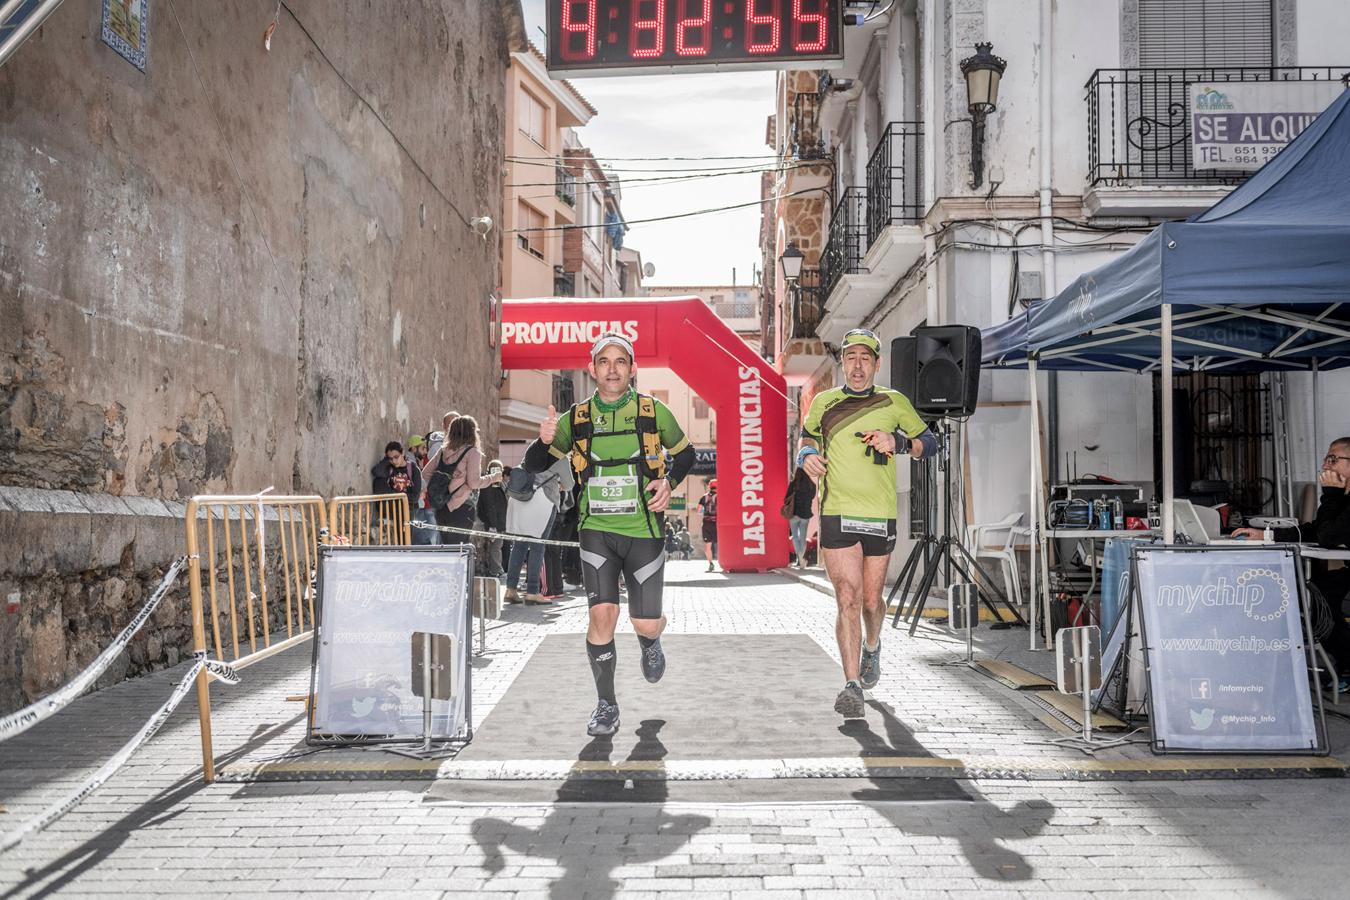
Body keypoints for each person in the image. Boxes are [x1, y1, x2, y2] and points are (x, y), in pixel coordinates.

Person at [523, 333, 697, 736]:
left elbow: (686, 454)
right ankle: (606, 705)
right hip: (596, 530)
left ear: (633, 368)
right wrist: (544, 440)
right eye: (604, 361)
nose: (613, 369)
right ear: (593, 369)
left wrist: (668, 482)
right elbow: (534, 464)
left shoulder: (654, 412)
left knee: (643, 622)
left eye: (621, 361)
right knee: (602, 615)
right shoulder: (577, 419)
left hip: (645, 530)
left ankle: (652, 640)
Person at [799, 328, 937, 720]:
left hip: (879, 514)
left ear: (877, 364)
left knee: (872, 602)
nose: (857, 365)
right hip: (837, 511)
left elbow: (931, 443)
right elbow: (806, 441)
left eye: (865, 358)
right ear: (842, 363)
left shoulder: (895, 402)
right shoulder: (824, 402)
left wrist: (899, 442)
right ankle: (851, 685)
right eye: (850, 357)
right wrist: (805, 457)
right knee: (847, 596)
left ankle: (872, 645)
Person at [1234, 437, 1350, 687]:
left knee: (1320, 601)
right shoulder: (1342, 499)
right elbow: (1317, 530)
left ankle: (1346, 662)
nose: (1326, 465)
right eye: (1325, 458)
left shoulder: (1338, 497)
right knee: (1309, 593)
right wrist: (1266, 535)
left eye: (1333, 459)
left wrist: (1330, 494)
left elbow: (1329, 537)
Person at [420, 415, 502, 545]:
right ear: (472, 432)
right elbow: (474, 483)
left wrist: (436, 490)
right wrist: (493, 478)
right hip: (461, 506)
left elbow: (425, 474)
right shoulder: (473, 452)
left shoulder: (443, 451)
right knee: (459, 549)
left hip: (441, 506)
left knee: (447, 547)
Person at [504, 460, 567, 604]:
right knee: (538, 547)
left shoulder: (533, 448)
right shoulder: (560, 456)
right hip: (543, 499)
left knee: (519, 545)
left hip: (521, 497)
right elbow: (569, 484)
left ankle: (510, 589)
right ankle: (533, 591)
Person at [477, 461, 509, 576]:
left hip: (499, 521)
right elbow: (490, 506)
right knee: (496, 547)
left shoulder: (497, 485)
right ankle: (496, 570)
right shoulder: (489, 486)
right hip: (493, 523)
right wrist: (492, 525)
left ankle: (496, 569)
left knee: (497, 546)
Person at [783, 462, 817, 569]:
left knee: (795, 537)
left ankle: (800, 558)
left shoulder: (793, 484)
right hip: (805, 514)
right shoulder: (812, 485)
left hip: (794, 514)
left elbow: (786, 498)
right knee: (803, 537)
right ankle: (801, 559)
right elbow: (812, 497)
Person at [370, 441, 422, 510]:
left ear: (402, 453)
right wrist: (386, 459)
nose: (394, 461)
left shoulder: (414, 470)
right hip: (391, 510)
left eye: (396, 457)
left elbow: (415, 497)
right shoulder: (390, 468)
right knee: (378, 481)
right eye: (391, 458)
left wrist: (392, 495)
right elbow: (376, 472)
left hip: (407, 511)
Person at [408, 434, 437, 545]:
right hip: (415, 503)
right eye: (423, 448)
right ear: (414, 448)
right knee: (421, 537)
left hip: (420, 503)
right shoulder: (409, 460)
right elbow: (419, 481)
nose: (425, 452)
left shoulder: (415, 461)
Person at [697, 480, 719, 572]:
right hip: (717, 524)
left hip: (706, 523)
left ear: (710, 487)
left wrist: (706, 512)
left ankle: (711, 564)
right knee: (720, 544)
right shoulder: (720, 496)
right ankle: (722, 562)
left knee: (708, 545)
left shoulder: (704, 497)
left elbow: (699, 511)